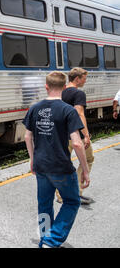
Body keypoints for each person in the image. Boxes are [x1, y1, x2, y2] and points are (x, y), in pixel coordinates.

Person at [23, 71, 90, 248]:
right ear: (63, 87)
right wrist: (85, 169)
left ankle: (45, 238)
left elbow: (27, 137)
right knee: (72, 201)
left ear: (46, 86)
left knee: (44, 204)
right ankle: (51, 241)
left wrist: (32, 159)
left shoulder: (34, 108)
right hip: (61, 166)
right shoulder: (68, 110)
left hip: (41, 165)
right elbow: (76, 144)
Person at [55, 67, 94, 205]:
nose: (85, 81)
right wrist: (86, 135)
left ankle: (60, 195)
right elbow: (79, 114)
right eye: (84, 78)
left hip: (61, 135)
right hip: (75, 135)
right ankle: (76, 192)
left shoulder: (61, 92)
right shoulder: (78, 94)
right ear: (77, 79)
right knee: (88, 159)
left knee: (64, 164)